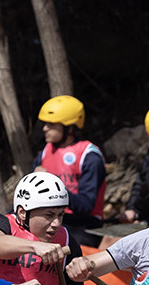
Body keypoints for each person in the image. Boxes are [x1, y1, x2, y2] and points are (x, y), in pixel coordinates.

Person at [32, 95, 107, 249]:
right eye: (45, 124)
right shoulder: (45, 152)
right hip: (49, 221)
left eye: (51, 124)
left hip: (83, 226)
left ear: (70, 128)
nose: (45, 128)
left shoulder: (90, 156)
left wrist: (52, 185)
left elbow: (86, 206)